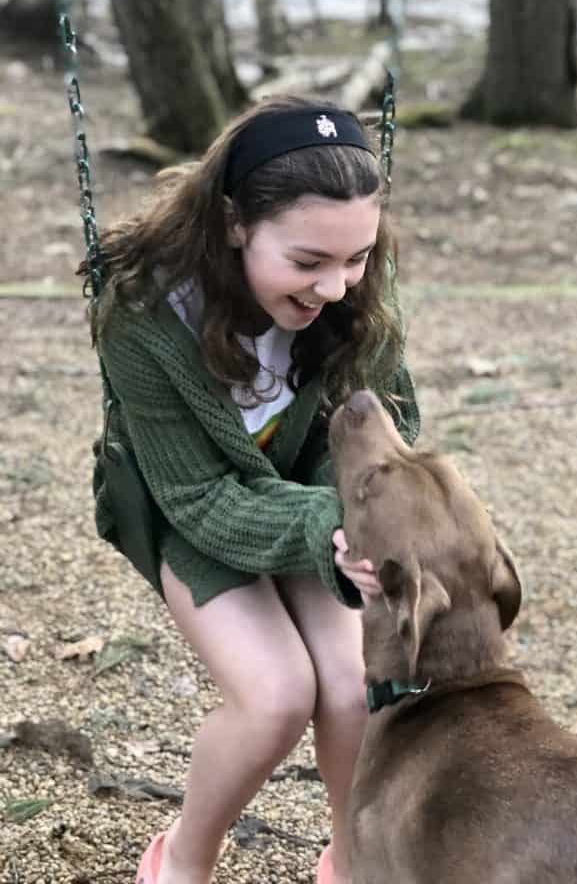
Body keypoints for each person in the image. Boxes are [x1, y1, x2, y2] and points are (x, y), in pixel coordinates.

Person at [79, 96, 420, 884]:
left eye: (357, 258)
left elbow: (385, 425)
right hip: (194, 514)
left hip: (310, 501)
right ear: (234, 223)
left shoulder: (356, 293)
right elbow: (198, 497)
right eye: (308, 263)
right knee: (275, 697)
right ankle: (184, 857)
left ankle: (356, 863)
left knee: (350, 684)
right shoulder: (144, 315)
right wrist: (331, 527)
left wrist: (359, 524)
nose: (337, 286)